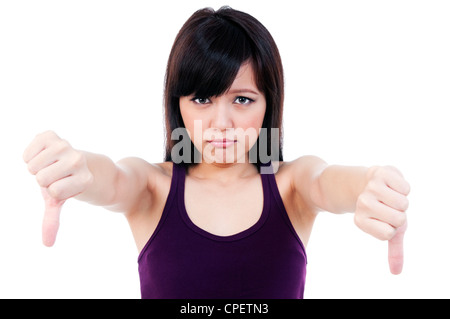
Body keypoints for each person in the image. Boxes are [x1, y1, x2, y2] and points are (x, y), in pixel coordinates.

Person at [22, 7, 410, 299]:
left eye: (242, 99)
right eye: (202, 98)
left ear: (269, 105)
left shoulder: (292, 184)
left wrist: (370, 184)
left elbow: (329, 182)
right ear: (178, 105)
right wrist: (77, 170)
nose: (221, 122)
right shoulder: (152, 187)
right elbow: (112, 178)